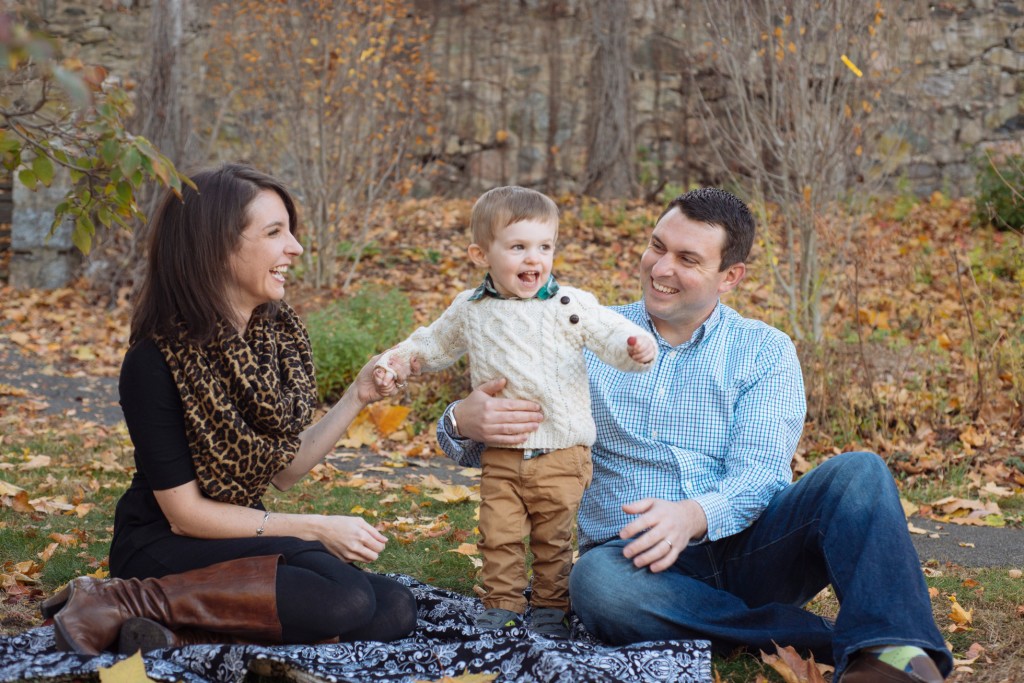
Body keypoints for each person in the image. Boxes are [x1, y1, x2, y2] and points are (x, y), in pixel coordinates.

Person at [435, 188, 952, 682]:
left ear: (730, 276)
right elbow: (508, 440)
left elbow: (761, 474)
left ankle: (894, 651)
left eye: (688, 259)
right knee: (594, 584)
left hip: (752, 549)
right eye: (657, 247)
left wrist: (693, 515)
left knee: (859, 472)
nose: (661, 269)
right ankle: (851, 641)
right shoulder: (586, 331)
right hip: (635, 562)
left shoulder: (764, 350)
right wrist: (463, 419)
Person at [40, 163, 417, 656]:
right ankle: (120, 595)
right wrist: (315, 526)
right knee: (342, 597)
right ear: (216, 246)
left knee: (393, 609)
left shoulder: (273, 340)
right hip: (163, 544)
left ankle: (174, 631)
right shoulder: (156, 360)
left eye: (290, 231)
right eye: (274, 232)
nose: (295, 248)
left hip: (234, 531)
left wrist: (357, 396)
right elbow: (186, 515)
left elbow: (285, 472)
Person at [374, 185, 656, 638]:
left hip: (562, 454)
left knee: (553, 539)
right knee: (498, 535)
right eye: (518, 247)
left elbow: (611, 335)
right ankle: (501, 602)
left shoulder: (570, 304)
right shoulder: (472, 309)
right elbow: (430, 344)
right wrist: (395, 363)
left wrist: (636, 347)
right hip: (502, 454)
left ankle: (550, 606)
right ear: (481, 254)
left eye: (544, 247)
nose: (533, 259)